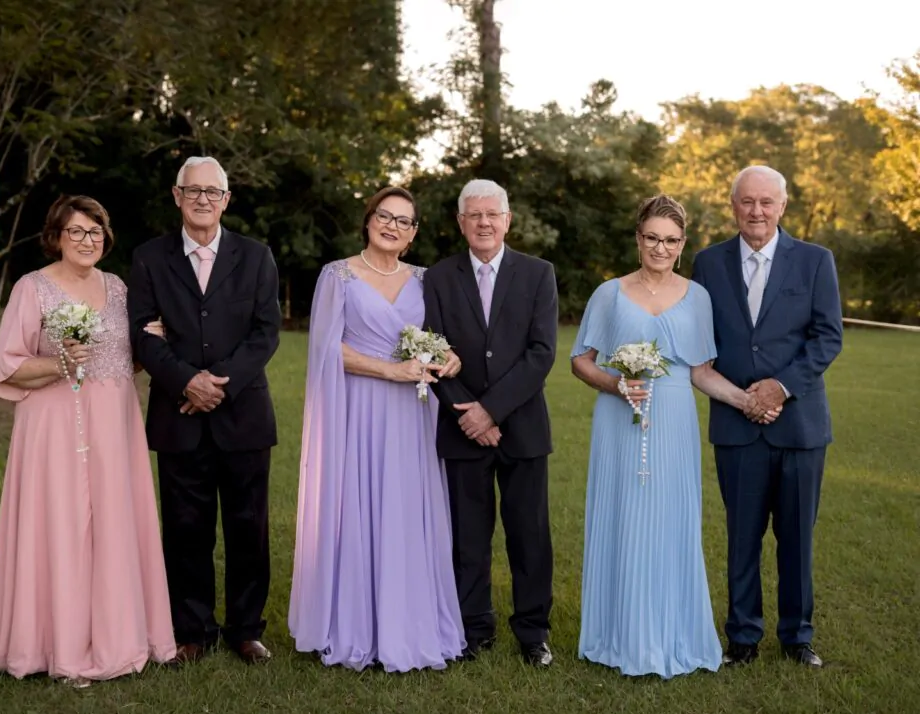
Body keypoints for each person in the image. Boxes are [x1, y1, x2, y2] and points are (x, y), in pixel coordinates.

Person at [570, 194, 783, 678]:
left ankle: (673, 634)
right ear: (638, 238)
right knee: (622, 518)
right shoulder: (609, 293)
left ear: (682, 244)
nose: (660, 248)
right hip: (617, 421)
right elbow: (581, 360)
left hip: (674, 421)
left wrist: (748, 401)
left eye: (670, 240)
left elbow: (700, 372)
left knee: (671, 524)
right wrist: (616, 384)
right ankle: (616, 635)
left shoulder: (697, 297)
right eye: (651, 238)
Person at [0, 195, 176, 686]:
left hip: (113, 422)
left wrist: (156, 340)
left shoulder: (118, 288)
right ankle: (59, 646)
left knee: (113, 522)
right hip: (52, 425)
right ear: (56, 237)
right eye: (76, 232)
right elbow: (9, 366)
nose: (87, 240)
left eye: (95, 232)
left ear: (105, 238)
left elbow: (128, 357)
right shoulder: (32, 288)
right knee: (61, 525)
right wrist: (62, 361)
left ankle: (120, 638)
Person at [288, 186, 466, 672]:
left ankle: (409, 621)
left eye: (404, 221)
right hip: (360, 408)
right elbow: (328, 349)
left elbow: (444, 340)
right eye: (384, 216)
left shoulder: (427, 280)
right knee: (360, 504)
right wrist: (390, 370)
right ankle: (357, 625)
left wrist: (447, 358)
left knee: (407, 508)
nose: (392, 226)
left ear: (412, 235)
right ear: (368, 221)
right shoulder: (338, 275)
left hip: (412, 413)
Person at [127, 156, 281, 664]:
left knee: (248, 527)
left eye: (212, 192)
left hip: (243, 416)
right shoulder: (149, 258)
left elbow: (265, 332)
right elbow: (142, 333)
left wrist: (220, 384)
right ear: (176, 196)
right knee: (185, 528)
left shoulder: (257, 257)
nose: (202, 199)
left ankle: (245, 629)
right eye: (192, 190)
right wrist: (186, 382)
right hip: (179, 415)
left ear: (226, 200)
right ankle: (192, 629)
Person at [692, 166, 842, 668]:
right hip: (736, 426)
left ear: (783, 206)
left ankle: (798, 638)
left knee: (797, 537)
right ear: (733, 205)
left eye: (766, 202)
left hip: (800, 428)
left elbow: (828, 337)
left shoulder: (816, 261)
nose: (756, 212)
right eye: (747, 202)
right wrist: (743, 397)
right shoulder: (708, 263)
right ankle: (743, 637)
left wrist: (779, 387)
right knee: (742, 536)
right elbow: (701, 340)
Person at [422, 179, 557, 667]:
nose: (484, 222)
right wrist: (468, 413)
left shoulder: (538, 273)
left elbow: (541, 354)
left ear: (507, 220)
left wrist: (491, 411)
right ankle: (472, 629)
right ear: (461, 223)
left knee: (529, 535)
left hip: (521, 428)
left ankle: (533, 631)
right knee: (468, 537)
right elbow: (431, 350)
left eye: (492, 214)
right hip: (461, 427)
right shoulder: (436, 278)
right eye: (474, 215)